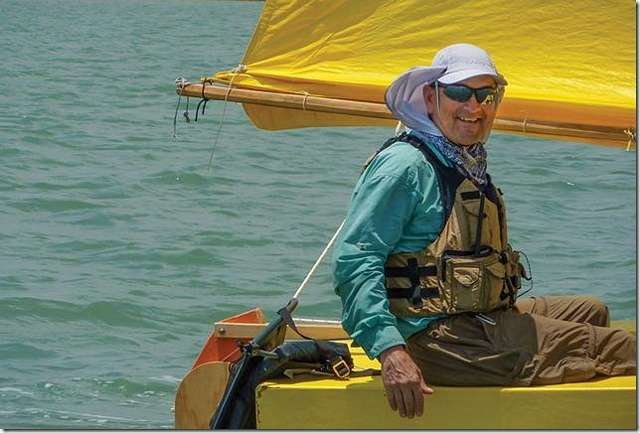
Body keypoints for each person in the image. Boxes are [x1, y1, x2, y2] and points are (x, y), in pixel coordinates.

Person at [331, 43, 636, 419]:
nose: (474, 107)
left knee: (592, 311)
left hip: (474, 320)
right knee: (619, 347)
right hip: (436, 340)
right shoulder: (405, 167)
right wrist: (390, 350)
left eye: (486, 95)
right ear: (431, 97)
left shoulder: (463, 160)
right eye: (460, 93)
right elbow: (355, 260)